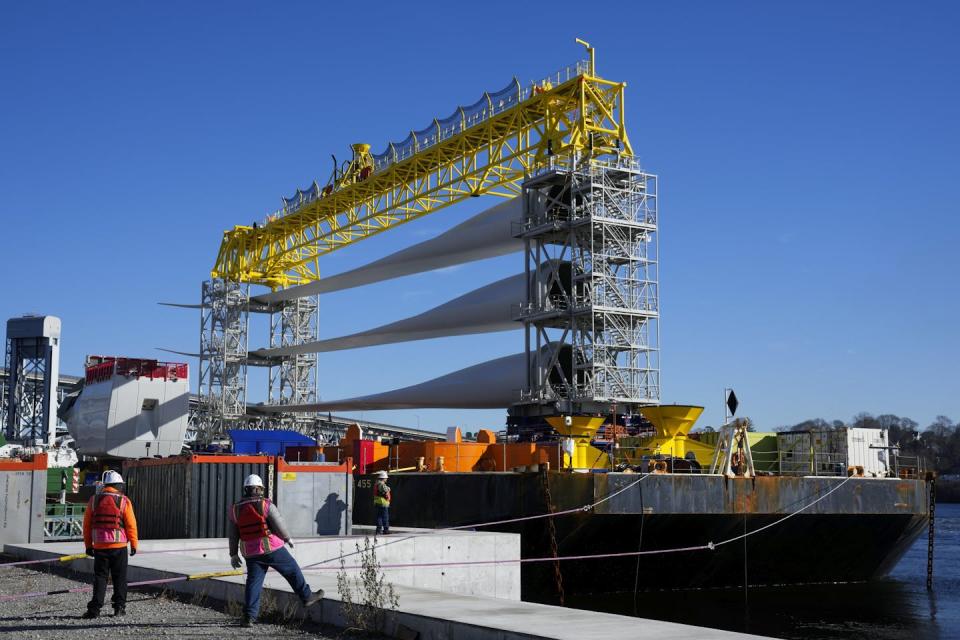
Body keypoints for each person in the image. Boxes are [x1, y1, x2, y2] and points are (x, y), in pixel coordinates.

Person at [228, 474, 323, 627]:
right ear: (259, 489)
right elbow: (279, 524)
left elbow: (233, 534)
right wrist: (288, 539)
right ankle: (307, 597)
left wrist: (233, 554)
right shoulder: (266, 505)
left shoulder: (235, 509)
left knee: (253, 582)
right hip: (271, 548)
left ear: (245, 489)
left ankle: (249, 617)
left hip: (250, 553)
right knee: (292, 570)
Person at [82, 470, 138, 619]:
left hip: (100, 547)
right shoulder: (124, 500)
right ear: (118, 485)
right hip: (119, 547)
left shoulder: (93, 500)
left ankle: (94, 610)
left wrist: (88, 545)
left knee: (100, 578)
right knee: (120, 578)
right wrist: (134, 544)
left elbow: (86, 525)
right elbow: (131, 525)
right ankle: (119, 608)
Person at [373, 470, 391, 535]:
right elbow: (385, 490)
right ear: (383, 478)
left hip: (377, 503)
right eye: (386, 478)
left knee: (379, 517)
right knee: (385, 517)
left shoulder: (376, 484)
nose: (386, 479)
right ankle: (386, 530)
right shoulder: (381, 484)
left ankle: (378, 530)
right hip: (383, 503)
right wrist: (389, 489)